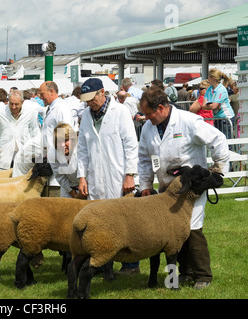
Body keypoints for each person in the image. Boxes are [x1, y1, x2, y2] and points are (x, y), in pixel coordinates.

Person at [138, 87, 229, 289]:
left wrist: (218, 170)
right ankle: (185, 273)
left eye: (148, 113)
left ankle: (203, 275)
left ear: (160, 108)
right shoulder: (148, 127)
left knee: (192, 228)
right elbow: (145, 158)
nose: (146, 117)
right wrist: (145, 185)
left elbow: (219, 139)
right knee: (173, 233)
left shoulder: (188, 121)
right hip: (166, 189)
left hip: (191, 186)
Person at [77, 77, 139, 274]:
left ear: (102, 92)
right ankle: (103, 264)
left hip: (118, 175)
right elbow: (82, 150)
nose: (89, 103)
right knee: (100, 221)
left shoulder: (120, 112)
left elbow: (131, 145)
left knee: (123, 221)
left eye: (92, 98)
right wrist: (82, 177)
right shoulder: (86, 115)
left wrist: (130, 174)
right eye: (86, 100)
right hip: (96, 176)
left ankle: (130, 265)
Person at [0, 90, 40, 170]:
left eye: (16, 104)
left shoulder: (30, 113)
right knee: (2, 181)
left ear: (22, 102)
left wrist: (38, 154)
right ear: (8, 101)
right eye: (11, 104)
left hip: (23, 155)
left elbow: (36, 134)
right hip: (3, 156)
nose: (13, 107)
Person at [48, 123, 80, 198]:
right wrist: (73, 194)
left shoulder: (80, 150)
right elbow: (59, 175)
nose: (62, 145)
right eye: (59, 141)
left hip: (87, 186)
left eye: (66, 140)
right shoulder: (53, 152)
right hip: (68, 188)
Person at [202, 68, 235, 139]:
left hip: (226, 119)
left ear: (213, 78)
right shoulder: (209, 89)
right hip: (217, 118)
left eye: (208, 76)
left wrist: (210, 105)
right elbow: (203, 105)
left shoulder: (221, 89)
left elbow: (213, 106)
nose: (207, 78)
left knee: (227, 142)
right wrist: (213, 105)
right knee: (218, 141)